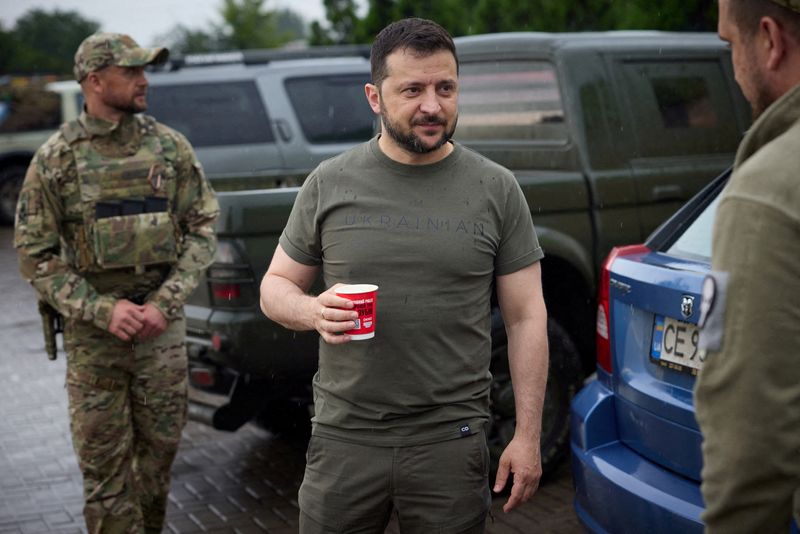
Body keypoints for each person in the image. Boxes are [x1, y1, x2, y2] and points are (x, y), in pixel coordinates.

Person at [260, 17, 549, 533]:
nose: (432, 106)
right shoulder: (330, 182)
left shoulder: (497, 189)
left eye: (446, 88)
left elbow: (527, 317)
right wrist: (310, 310)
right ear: (374, 96)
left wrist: (527, 436)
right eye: (412, 89)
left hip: (450, 441)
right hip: (344, 438)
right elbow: (274, 287)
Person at [14, 32, 219, 533]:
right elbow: (35, 255)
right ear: (95, 81)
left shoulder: (169, 148)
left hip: (160, 337)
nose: (143, 80)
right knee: (105, 474)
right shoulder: (57, 160)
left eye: (143, 70)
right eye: (131, 72)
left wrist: (164, 304)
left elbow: (203, 228)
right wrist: (104, 310)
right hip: (95, 343)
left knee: (156, 466)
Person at [694, 1, 800, 532]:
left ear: (770, 40)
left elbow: (749, 435)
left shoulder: (767, 190)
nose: (734, 68)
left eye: (729, 45)